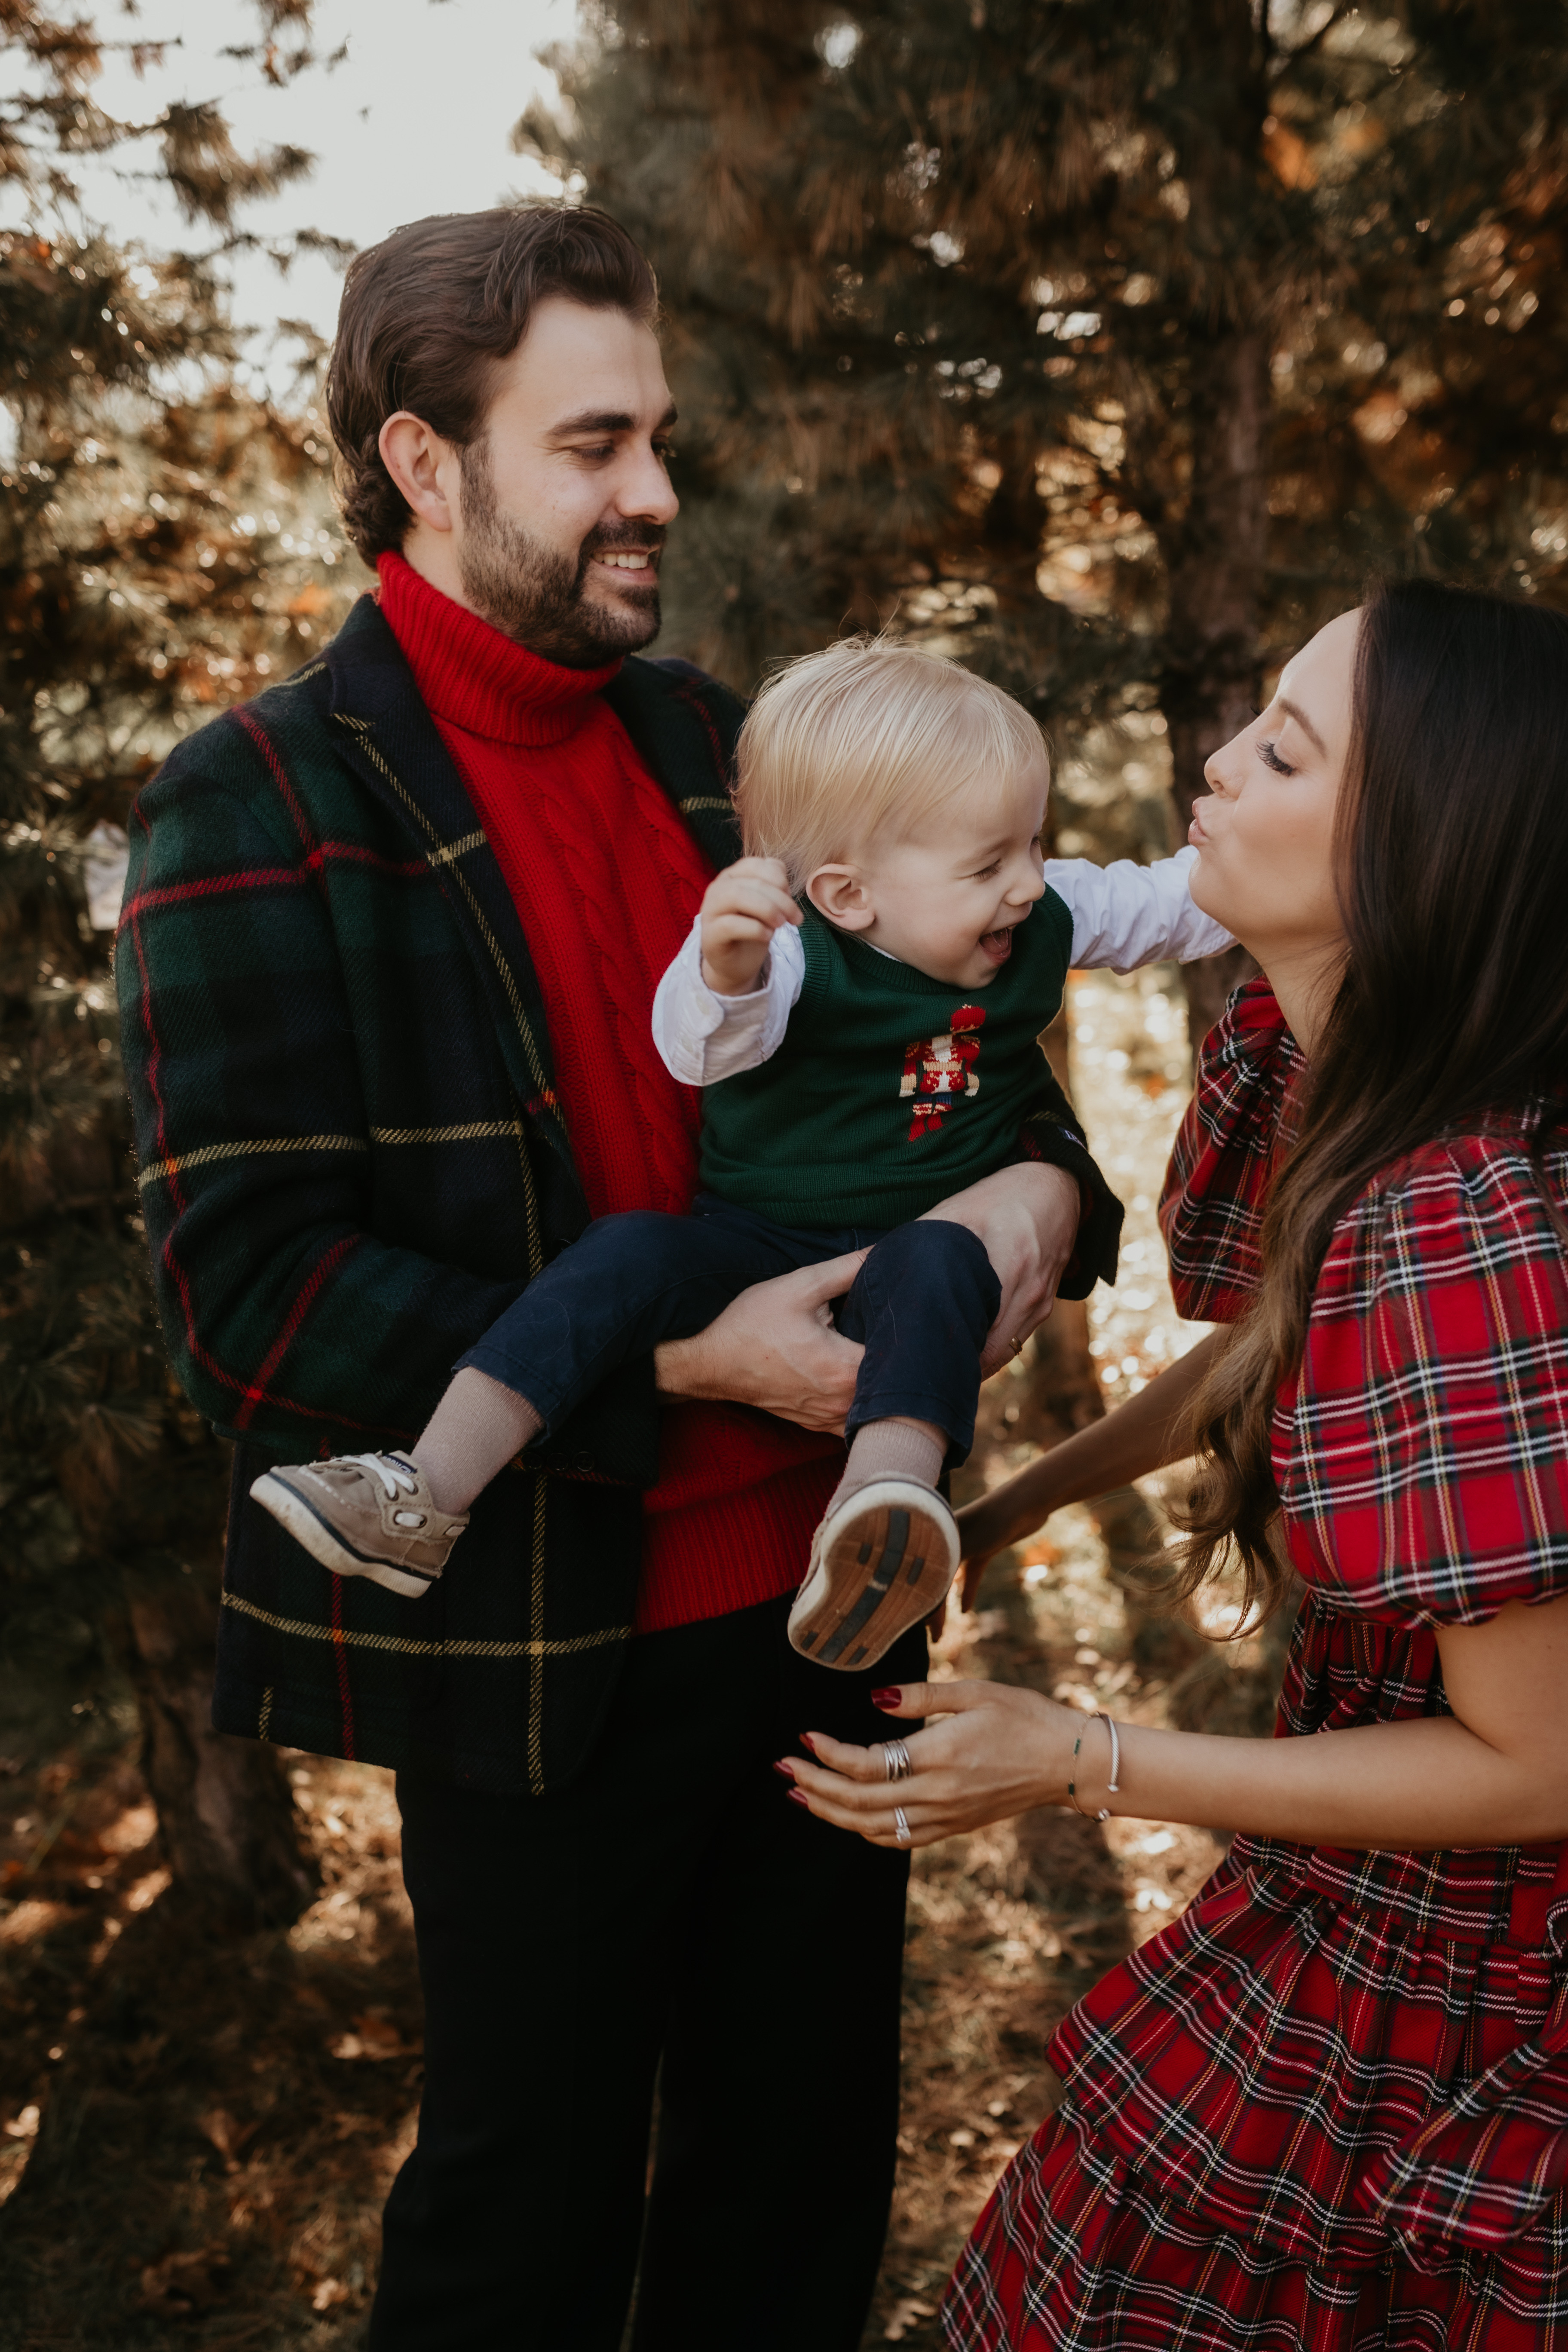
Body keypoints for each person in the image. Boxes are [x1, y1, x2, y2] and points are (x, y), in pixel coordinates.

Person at [116, 203, 1125, 2352]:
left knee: (793, 2191)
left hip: (833, 1619)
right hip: (542, 1661)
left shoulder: (734, 751)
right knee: (524, 2216)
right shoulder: (257, 802)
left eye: (656, 435)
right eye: (593, 444)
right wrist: (687, 1354)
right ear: (421, 456)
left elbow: (977, 1087)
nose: (656, 487)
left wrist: (1039, 1209)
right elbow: (251, 1289)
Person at [784, 578, 1568, 2348]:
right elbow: (1280, 1353)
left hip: (1468, 1991)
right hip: (1364, 1905)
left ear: (1420, 852)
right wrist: (1009, 1506)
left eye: (1285, 748)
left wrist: (1084, 1756)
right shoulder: (1342, 1077)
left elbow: (1542, 1763)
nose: (1214, 764)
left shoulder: (1457, 1210)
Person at [250, 634, 1230, 1670]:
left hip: (916, 1244)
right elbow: (704, 1045)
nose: (1030, 885)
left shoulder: (1038, 908)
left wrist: (1299, 860)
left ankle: (876, 1518)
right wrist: (725, 964)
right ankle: (429, 1486)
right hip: (757, 1239)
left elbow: (1172, 905)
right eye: (991, 864)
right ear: (850, 895)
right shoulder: (794, 953)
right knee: (624, 1257)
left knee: (940, 1258)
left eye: (1034, 844)